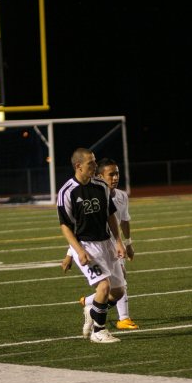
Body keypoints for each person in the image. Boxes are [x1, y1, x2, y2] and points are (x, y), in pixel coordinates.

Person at [57, 147, 126, 343]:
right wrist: (76, 251)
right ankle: (99, 331)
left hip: (107, 244)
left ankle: (91, 308)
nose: (95, 166)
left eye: (95, 162)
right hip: (87, 246)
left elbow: (110, 215)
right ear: (78, 166)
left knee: (118, 291)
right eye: (91, 163)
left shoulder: (101, 186)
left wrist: (119, 242)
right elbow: (66, 227)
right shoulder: (67, 192)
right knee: (103, 287)